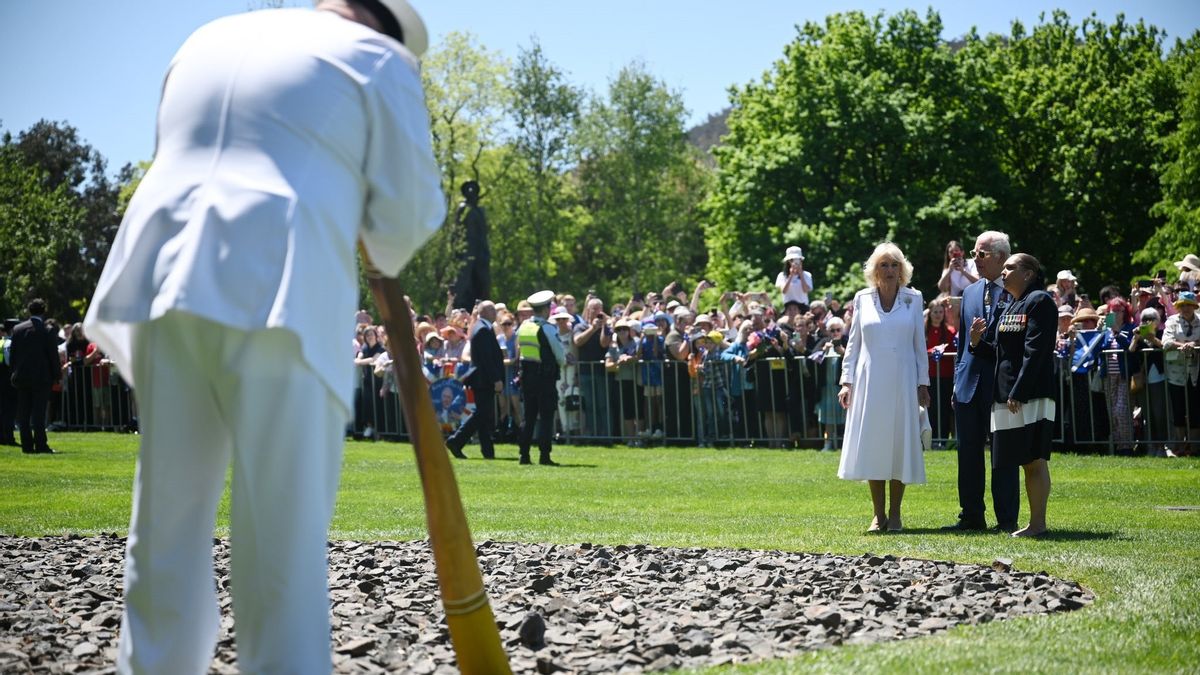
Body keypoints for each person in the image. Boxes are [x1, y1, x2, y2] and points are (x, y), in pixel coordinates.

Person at [82, 2, 444, 673]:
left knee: (163, 529)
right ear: (384, 26)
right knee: (283, 545)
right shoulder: (378, 59)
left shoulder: (207, 36)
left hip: (164, 273)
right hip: (281, 282)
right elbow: (406, 218)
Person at [837, 243, 929, 533]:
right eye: (884, 265)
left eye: (894, 265)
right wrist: (846, 381)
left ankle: (896, 514)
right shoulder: (862, 299)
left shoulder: (913, 299)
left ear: (902, 269)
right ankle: (878, 514)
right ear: (874, 270)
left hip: (903, 380)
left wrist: (922, 383)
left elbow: (919, 346)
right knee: (875, 445)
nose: (889, 271)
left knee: (900, 443)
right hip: (869, 381)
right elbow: (853, 344)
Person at [966, 253, 1058, 537]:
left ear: (1028, 273)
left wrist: (1019, 390)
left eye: (1009, 267)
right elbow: (999, 352)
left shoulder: (1040, 301)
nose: (1003, 272)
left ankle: (1038, 524)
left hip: (1030, 394)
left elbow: (1035, 351)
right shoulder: (1012, 305)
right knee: (1019, 459)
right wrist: (976, 343)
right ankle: (1032, 523)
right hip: (1008, 395)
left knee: (1033, 459)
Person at [943, 231, 1021, 533]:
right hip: (969, 386)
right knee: (968, 453)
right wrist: (956, 384)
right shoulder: (972, 293)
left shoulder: (1018, 292)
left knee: (1003, 455)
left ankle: (1006, 520)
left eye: (981, 254)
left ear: (1001, 257)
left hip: (1001, 387)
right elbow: (964, 343)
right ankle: (972, 515)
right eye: (975, 253)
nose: (974, 259)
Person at [446, 301, 504, 459]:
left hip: (481, 378)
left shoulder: (480, 327)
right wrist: (496, 379)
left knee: (483, 415)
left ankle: (487, 451)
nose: (495, 313)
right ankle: (456, 440)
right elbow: (487, 359)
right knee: (482, 413)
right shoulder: (483, 329)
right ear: (488, 312)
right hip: (484, 379)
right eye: (493, 310)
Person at [517, 291, 567, 465]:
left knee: (528, 416)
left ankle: (524, 455)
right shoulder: (547, 328)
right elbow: (560, 354)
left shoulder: (523, 326)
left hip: (527, 377)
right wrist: (562, 362)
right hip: (544, 377)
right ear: (546, 309)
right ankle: (544, 455)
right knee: (546, 416)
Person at [9, 299, 61, 454]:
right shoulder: (47, 329)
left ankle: (27, 446)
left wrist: (15, 371)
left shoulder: (18, 329)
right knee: (38, 413)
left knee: (23, 413)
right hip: (41, 377)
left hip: (23, 376)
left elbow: (13, 355)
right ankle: (40, 444)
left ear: (29, 311)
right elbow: (53, 355)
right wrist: (56, 375)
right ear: (43, 311)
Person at [1162, 291, 1200, 457]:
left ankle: (1194, 446)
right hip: (1176, 372)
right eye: (1182, 305)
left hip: (1196, 371)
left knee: (1195, 409)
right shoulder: (1172, 321)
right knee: (1178, 410)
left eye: (1188, 305)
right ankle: (1180, 446)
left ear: (1194, 306)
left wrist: (1195, 344)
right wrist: (1182, 345)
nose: (1185, 308)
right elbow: (1166, 342)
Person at [450, 181, 490, 310]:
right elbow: (457, 231)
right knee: (464, 281)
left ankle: (481, 307)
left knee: (483, 282)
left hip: (480, 251)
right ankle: (458, 307)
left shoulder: (480, 210)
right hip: (467, 252)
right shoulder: (463, 208)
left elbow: (483, 233)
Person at [925, 298, 957, 448]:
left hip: (946, 375)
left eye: (940, 312)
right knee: (931, 408)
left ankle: (943, 439)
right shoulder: (924, 331)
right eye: (935, 312)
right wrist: (932, 351)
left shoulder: (950, 331)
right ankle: (931, 439)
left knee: (944, 408)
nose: (938, 315)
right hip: (929, 376)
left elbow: (954, 350)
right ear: (930, 313)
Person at [0, 319, 19, 446]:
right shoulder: (10, 343)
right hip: (8, 380)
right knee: (9, 410)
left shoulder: (1, 342)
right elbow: (9, 361)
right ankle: (9, 437)